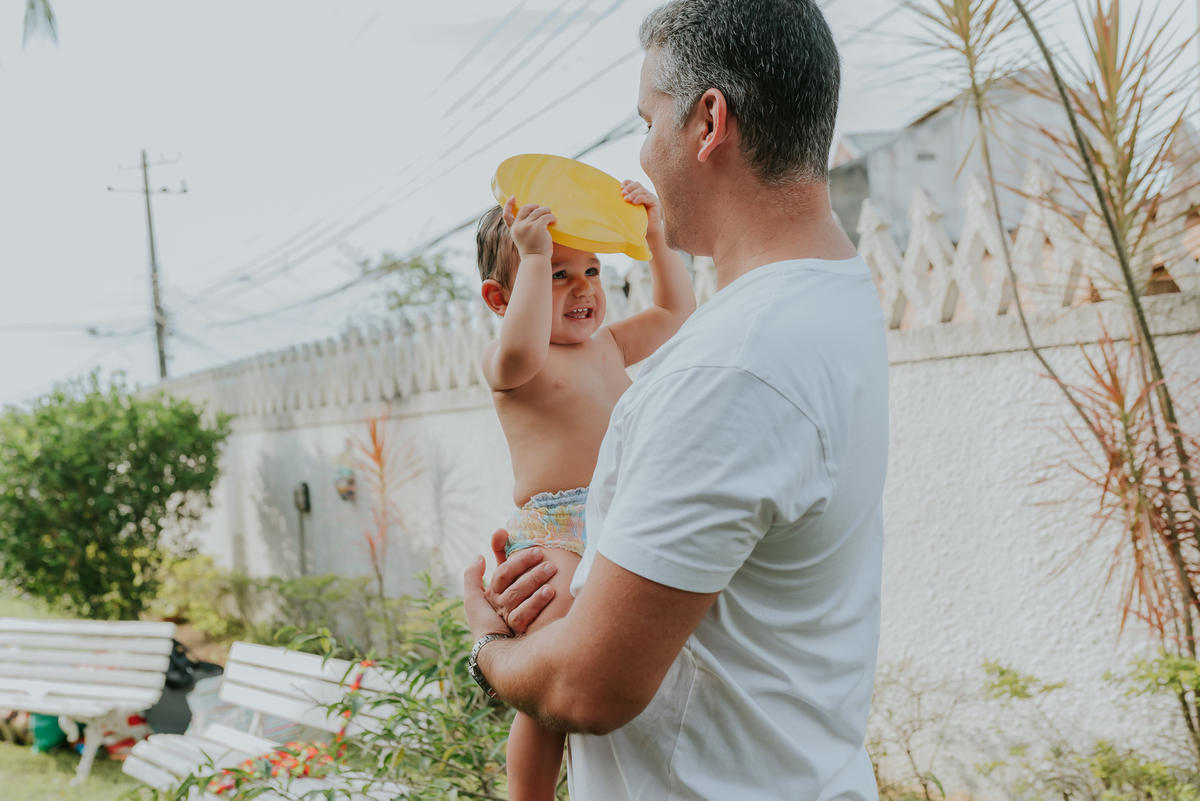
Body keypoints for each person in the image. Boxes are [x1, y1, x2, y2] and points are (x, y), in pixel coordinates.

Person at [463, 0, 889, 798]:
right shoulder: (836, 296)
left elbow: (584, 689)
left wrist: (487, 643)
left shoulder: (730, 369)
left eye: (647, 119)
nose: (643, 152)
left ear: (708, 122)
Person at [475, 182, 695, 799]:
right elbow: (521, 346)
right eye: (558, 273)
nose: (583, 289)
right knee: (553, 666)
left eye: (592, 271)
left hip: (617, 517)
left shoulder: (610, 347)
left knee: (623, 646)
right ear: (500, 298)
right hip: (555, 531)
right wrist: (532, 256)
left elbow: (676, 313)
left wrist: (656, 234)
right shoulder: (510, 361)